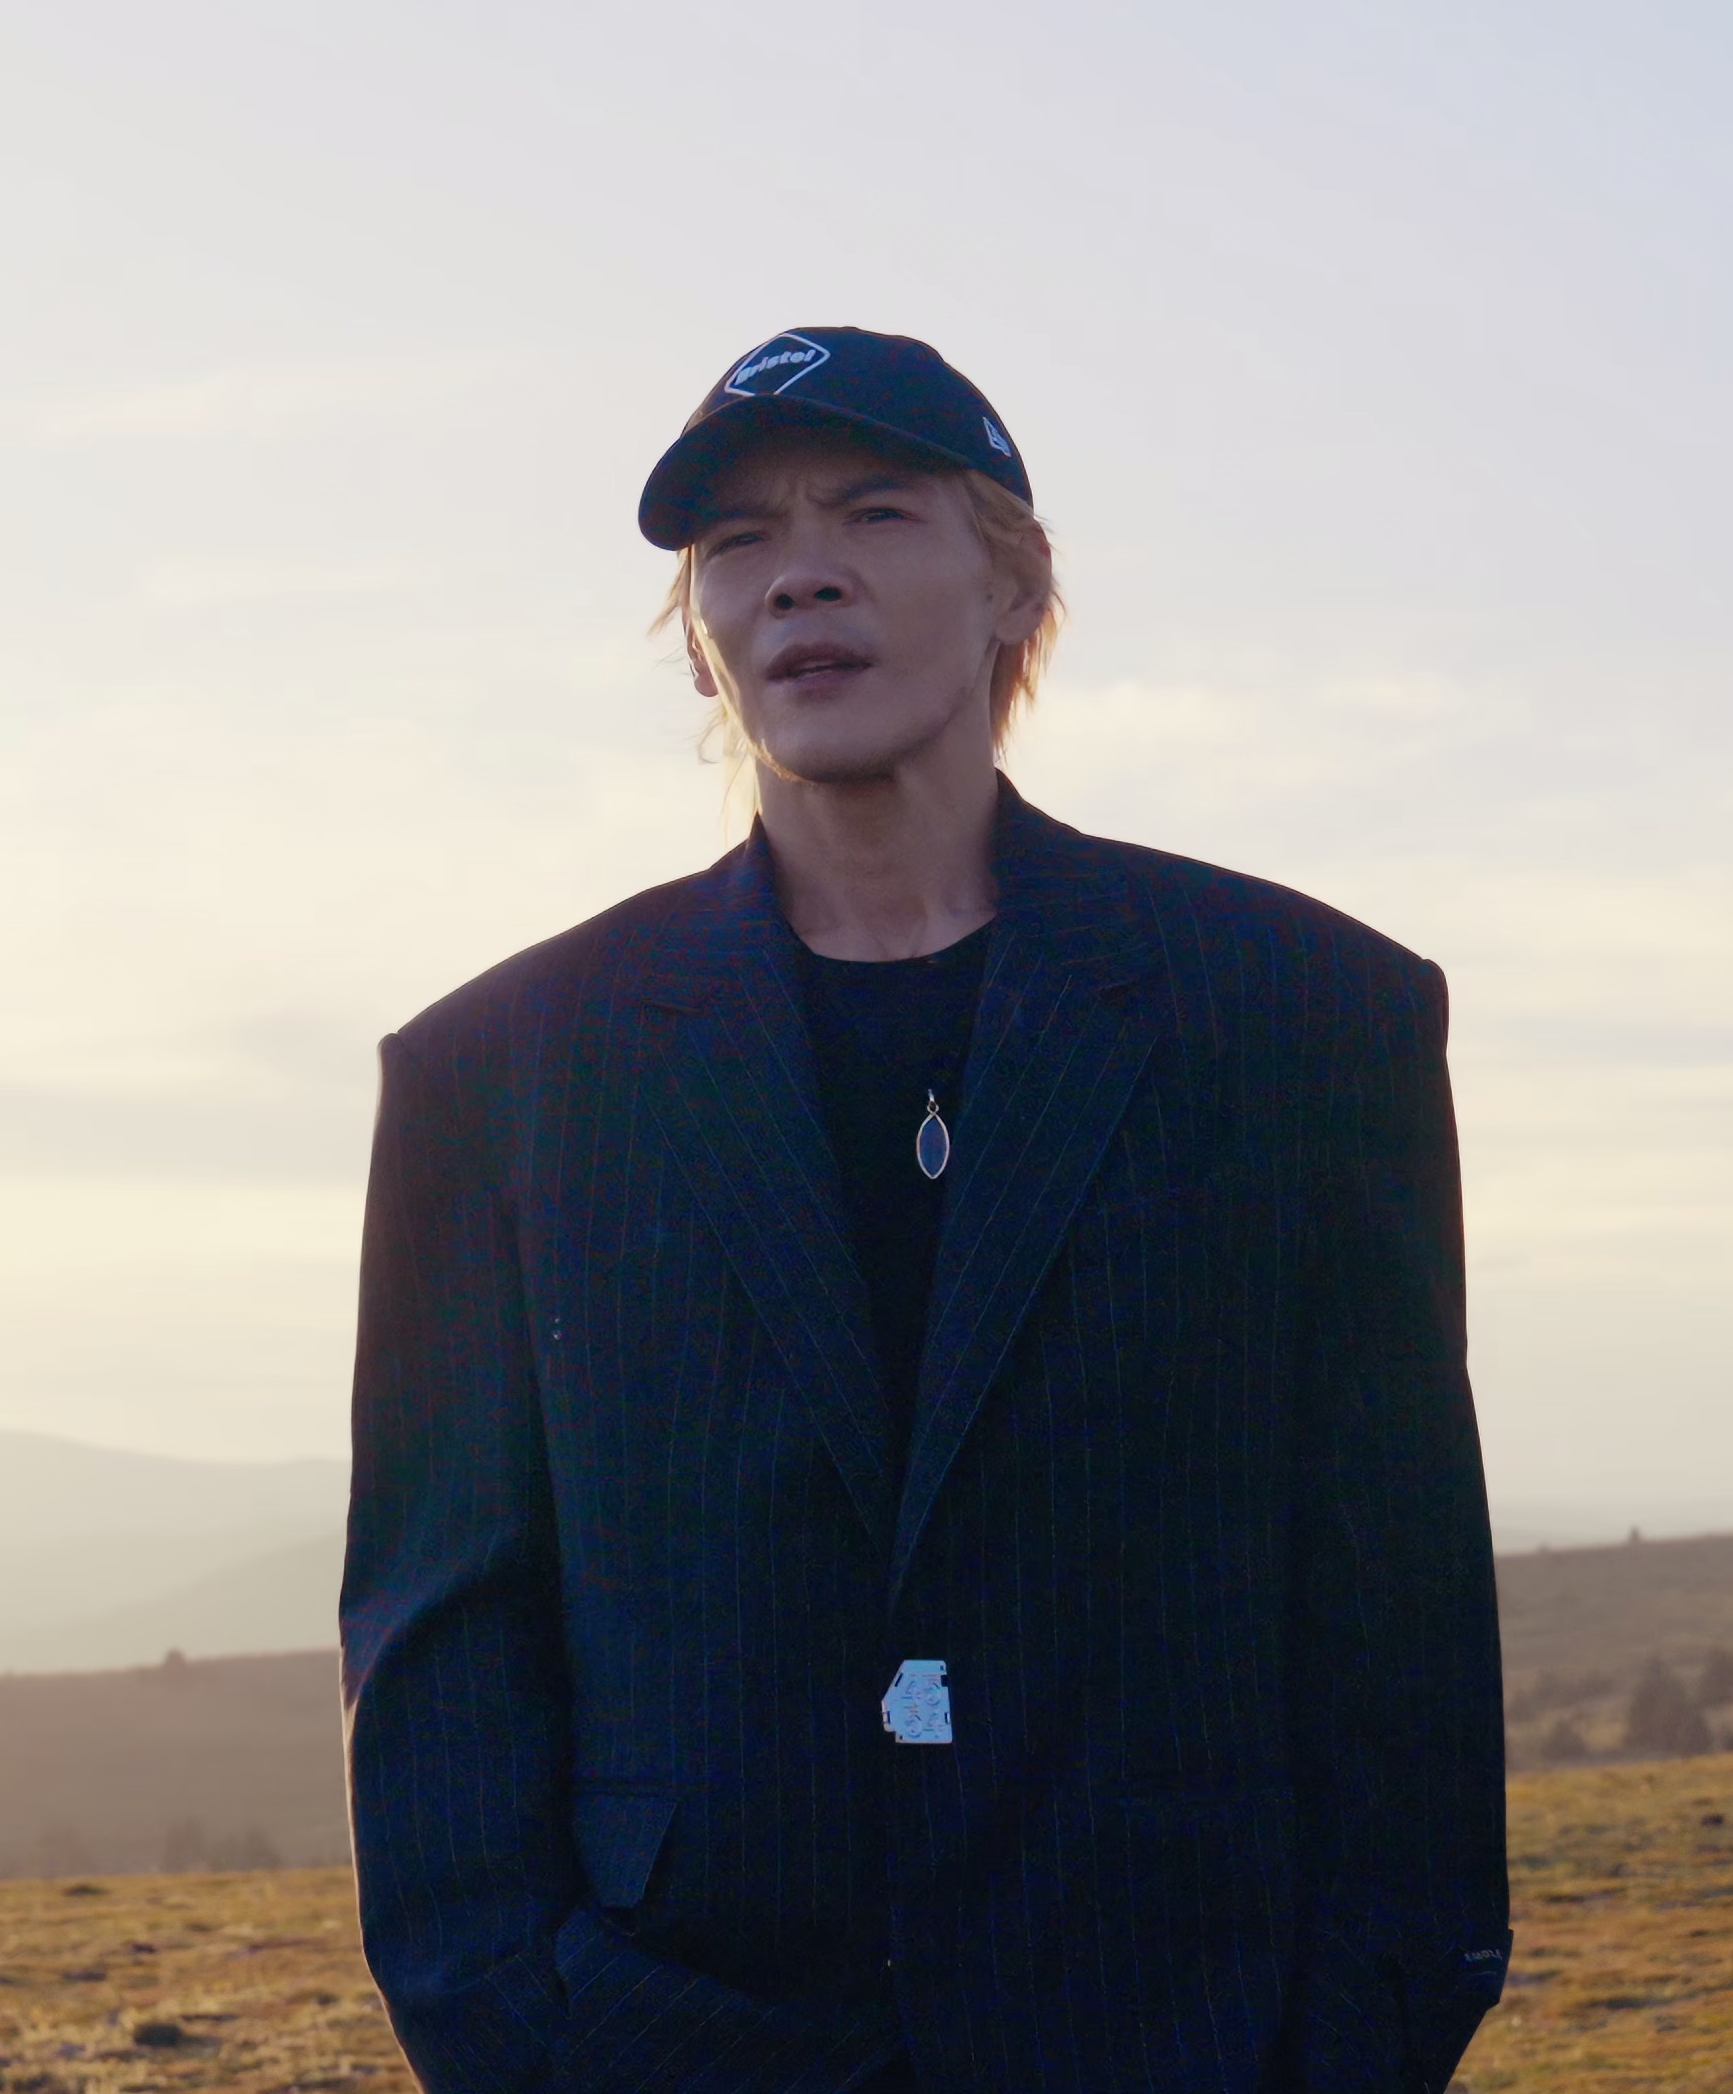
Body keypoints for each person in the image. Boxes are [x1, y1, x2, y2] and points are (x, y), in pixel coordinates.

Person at [339, 330, 1508, 2092]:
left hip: (1182, 2036)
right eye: (736, 540)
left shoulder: (1301, 1018)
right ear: (703, 636)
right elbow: (441, 1646)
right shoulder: (495, 1074)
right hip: (677, 2047)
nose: (798, 572)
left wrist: (1351, 2041)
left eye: (874, 512)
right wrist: (535, 2043)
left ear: (1013, 583)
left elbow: (1395, 1602)